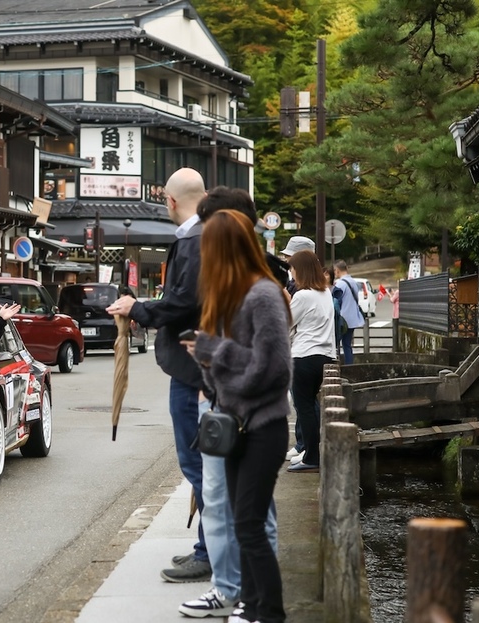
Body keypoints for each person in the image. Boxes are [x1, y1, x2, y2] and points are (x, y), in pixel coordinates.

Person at [177, 188, 281, 618]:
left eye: (208, 245)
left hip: (262, 425)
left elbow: (271, 368)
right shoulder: (226, 296)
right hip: (235, 423)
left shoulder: (262, 295)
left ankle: (266, 611)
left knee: (252, 526)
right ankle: (248, 604)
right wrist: (206, 356)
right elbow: (219, 371)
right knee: (242, 519)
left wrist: (213, 351)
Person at [106, 167, 212, 583]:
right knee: (202, 463)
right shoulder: (205, 235)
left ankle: (211, 551)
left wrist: (139, 309)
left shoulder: (195, 239)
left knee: (198, 463)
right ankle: (208, 547)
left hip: (193, 367)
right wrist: (143, 309)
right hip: (197, 361)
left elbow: (184, 302)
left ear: (169, 200)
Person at [284, 250, 335, 474]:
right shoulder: (325, 293)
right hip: (325, 357)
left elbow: (285, 323)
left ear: (300, 270)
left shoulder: (303, 296)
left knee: (304, 408)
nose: (292, 274)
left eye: (293, 269)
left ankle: (311, 456)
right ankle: (312, 453)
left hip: (303, 356)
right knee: (310, 407)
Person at [333, 260, 365, 365]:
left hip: (342, 320)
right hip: (353, 318)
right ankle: (349, 365)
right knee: (347, 345)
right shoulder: (353, 282)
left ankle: (336, 366)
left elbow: (336, 301)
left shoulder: (341, 284)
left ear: (337, 270)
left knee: (335, 344)